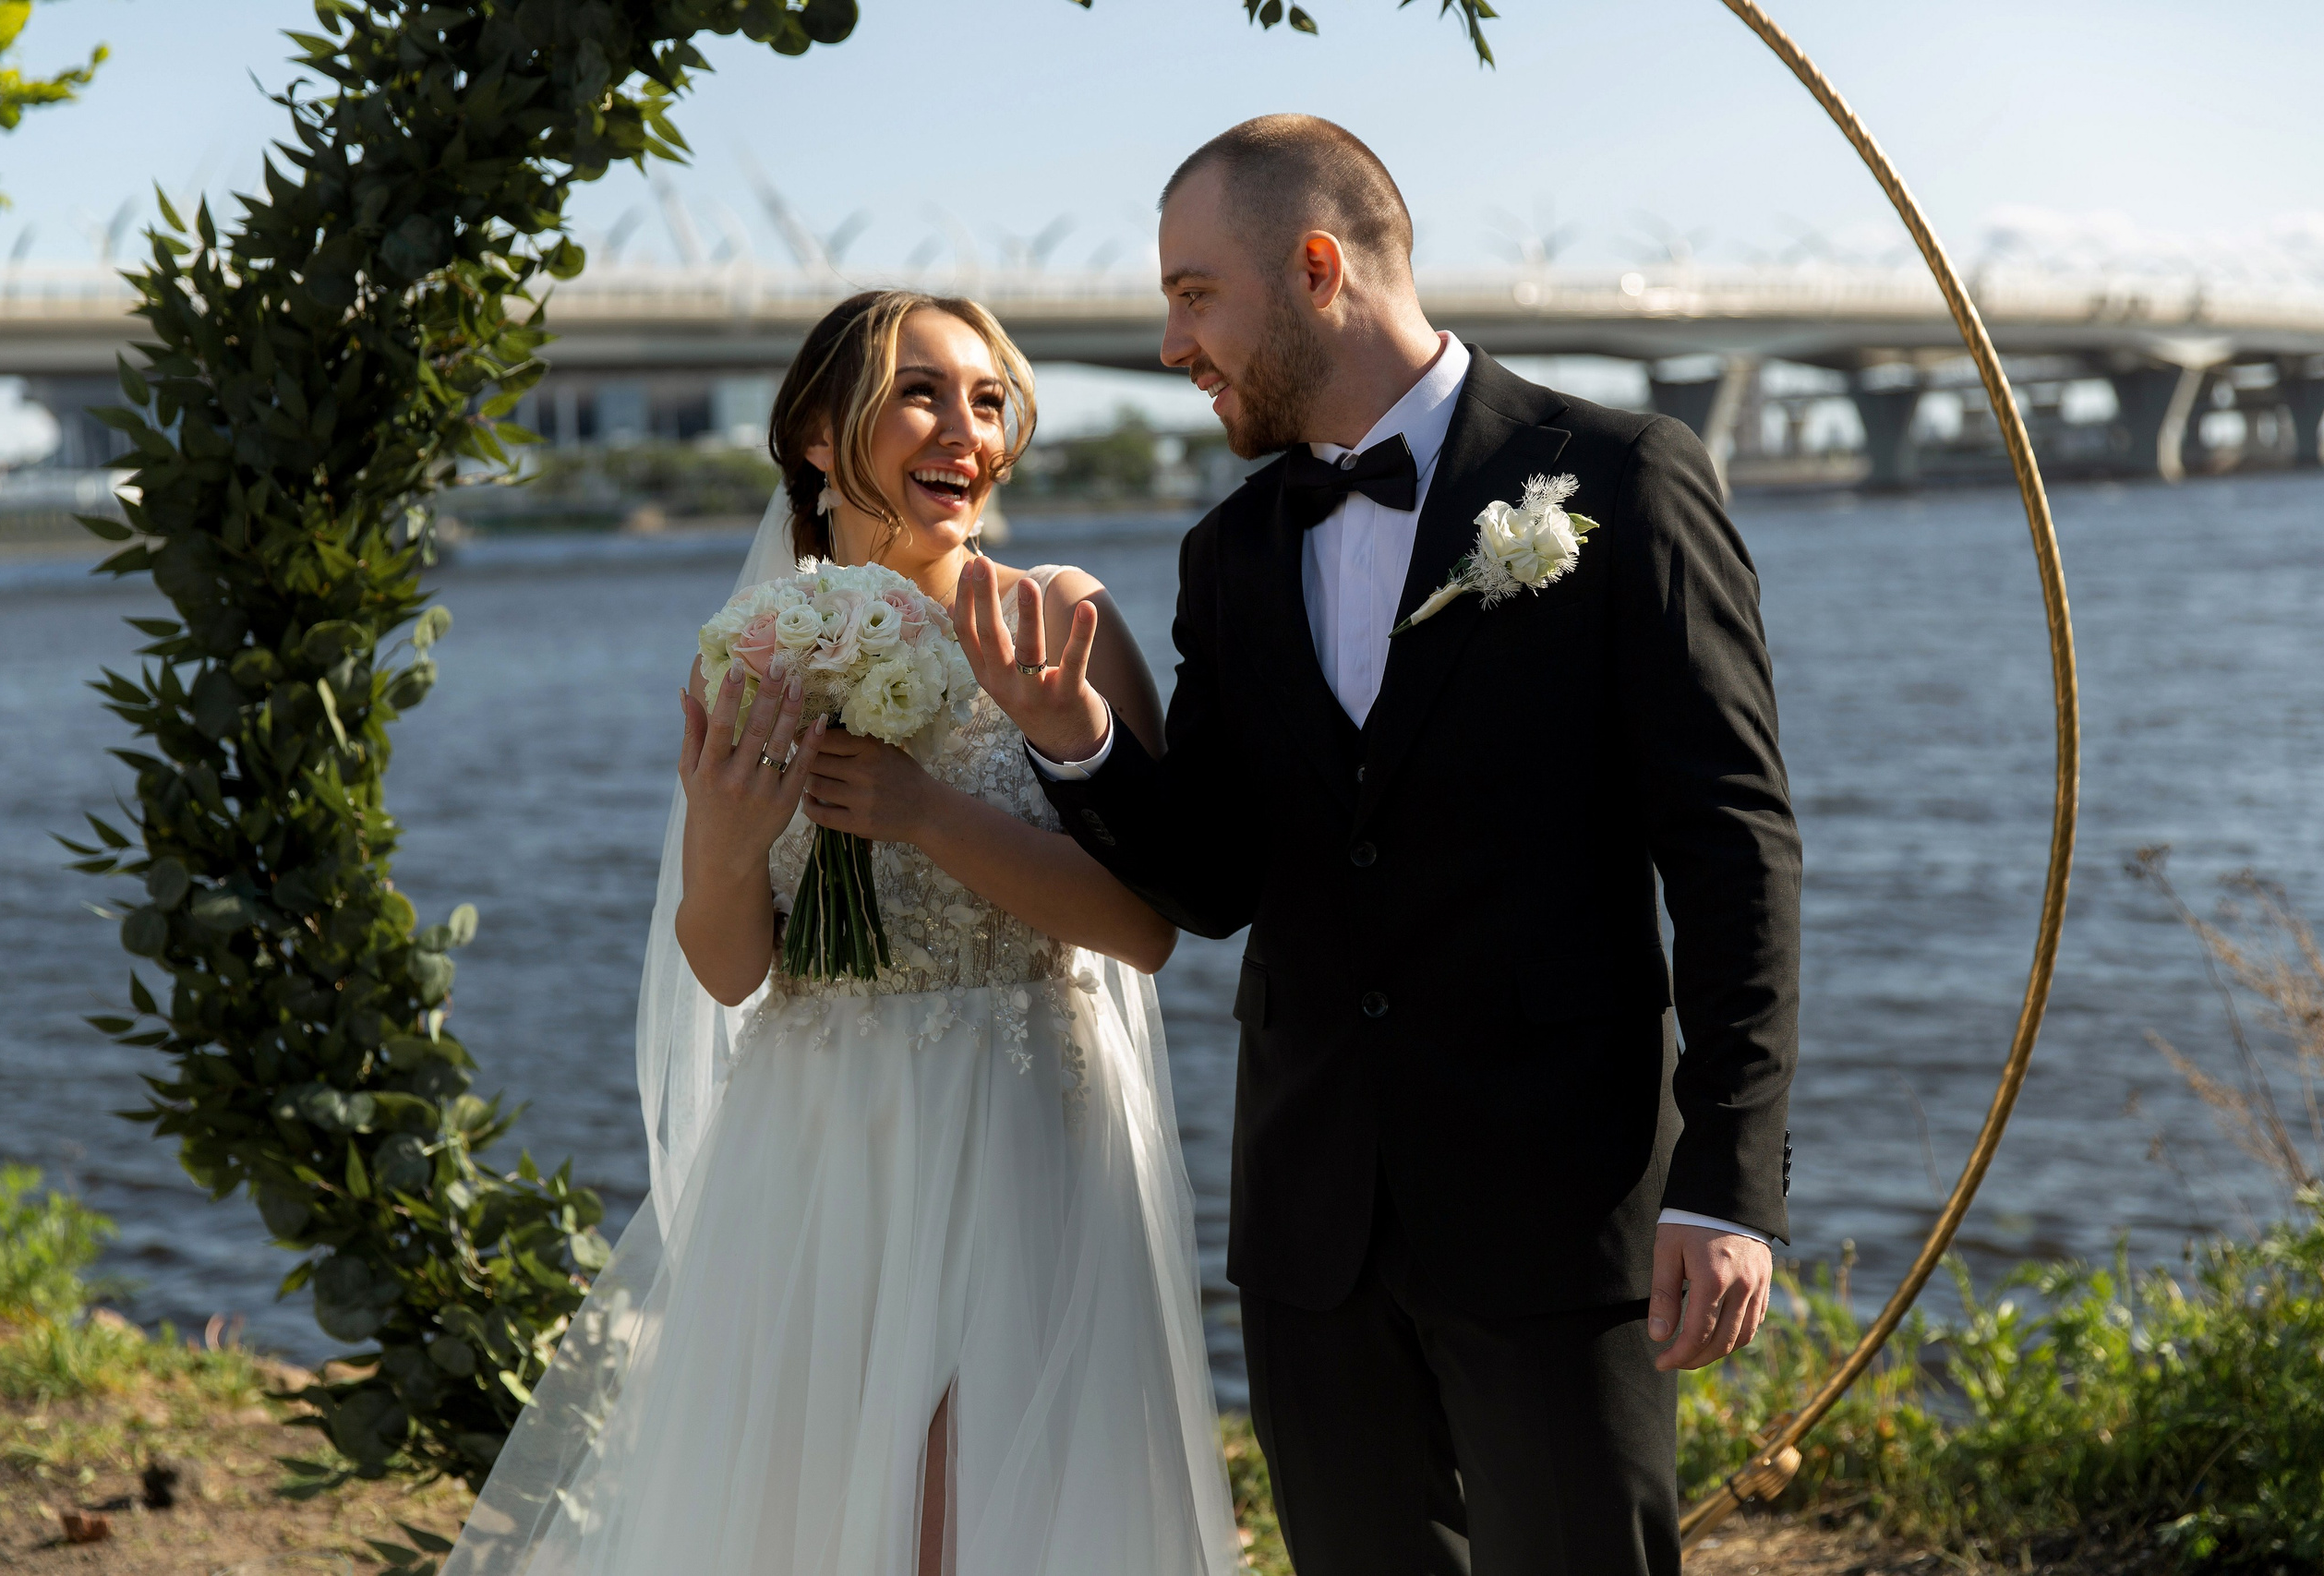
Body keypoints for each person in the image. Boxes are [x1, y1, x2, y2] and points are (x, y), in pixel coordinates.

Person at [959, 116, 1802, 1574]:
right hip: (1312, 1237)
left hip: (1557, 1212)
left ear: (1316, 267)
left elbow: (1734, 851)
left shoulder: (1623, 476)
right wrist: (1075, 736)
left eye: (1192, 293)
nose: (1170, 343)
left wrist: (1727, 1182)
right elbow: (1219, 880)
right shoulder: (1227, 553)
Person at [444, 290, 1235, 1576]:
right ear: (819, 435)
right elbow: (730, 964)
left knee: (985, 1517)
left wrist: (924, 814)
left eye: (988, 400)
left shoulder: (1061, 618)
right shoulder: (756, 655)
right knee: (821, 1514)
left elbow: (1146, 930)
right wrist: (723, 840)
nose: (966, 432)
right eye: (922, 393)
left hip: (1026, 1130)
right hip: (823, 1143)